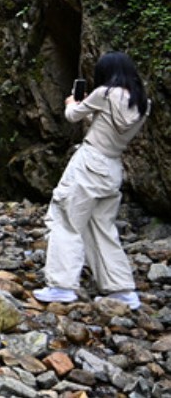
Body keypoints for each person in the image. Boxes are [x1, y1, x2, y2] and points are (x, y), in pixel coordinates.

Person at [34, 52, 150, 310]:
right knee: (102, 228)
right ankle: (121, 290)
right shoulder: (142, 102)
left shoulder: (105, 94)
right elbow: (109, 125)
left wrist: (71, 103)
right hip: (112, 167)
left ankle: (61, 286)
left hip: (89, 163)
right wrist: (88, 108)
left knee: (66, 220)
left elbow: (72, 116)